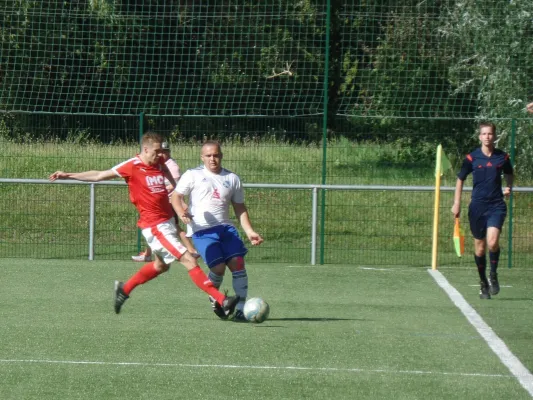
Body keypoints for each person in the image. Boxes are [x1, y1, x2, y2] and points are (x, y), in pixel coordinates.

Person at [49, 132, 239, 316]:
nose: (160, 155)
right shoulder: (132, 165)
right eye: (156, 151)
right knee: (189, 259)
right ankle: (222, 300)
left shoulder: (160, 163)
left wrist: (174, 188)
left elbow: (170, 180)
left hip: (168, 223)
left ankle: (124, 289)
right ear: (145, 149)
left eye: (162, 151)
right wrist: (68, 175)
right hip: (155, 226)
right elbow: (99, 175)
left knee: (160, 266)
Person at [171, 140, 264, 322]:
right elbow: (176, 196)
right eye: (208, 155)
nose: (212, 159)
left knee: (237, 263)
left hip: (226, 229)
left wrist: (250, 231)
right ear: (202, 157)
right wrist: (181, 212)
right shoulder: (193, 175)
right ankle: (215, 298)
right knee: (218, 268)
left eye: (216, 155)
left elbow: (239, 207)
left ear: (221, 156)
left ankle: (240, 308)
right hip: (202, 231)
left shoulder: (232, 179)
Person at [451, 122, 514, 299]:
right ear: (480, 137)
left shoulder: (502, 157)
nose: (487, 137)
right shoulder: (472, 158)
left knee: (492, 242)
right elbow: (460, 179)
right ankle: (483, 282)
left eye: (490, 134)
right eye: (484, 134)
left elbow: (510, 173)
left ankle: (493, 275)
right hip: (477, 207)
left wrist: (509, 187)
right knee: (479, 249)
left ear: (494, 136)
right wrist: (457, 203)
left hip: (496, 205)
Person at [131, 141, 199, 262]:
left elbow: (176, 185)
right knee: (154, 228)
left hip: (170, 202)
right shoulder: (158, 164)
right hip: (161, 203)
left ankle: (191, 250)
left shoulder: (172, 166)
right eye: (159, 152)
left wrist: (157, 189)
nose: (161, 154)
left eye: (164, 152)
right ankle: (148, 254)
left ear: (168, 152)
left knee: (176, 228)